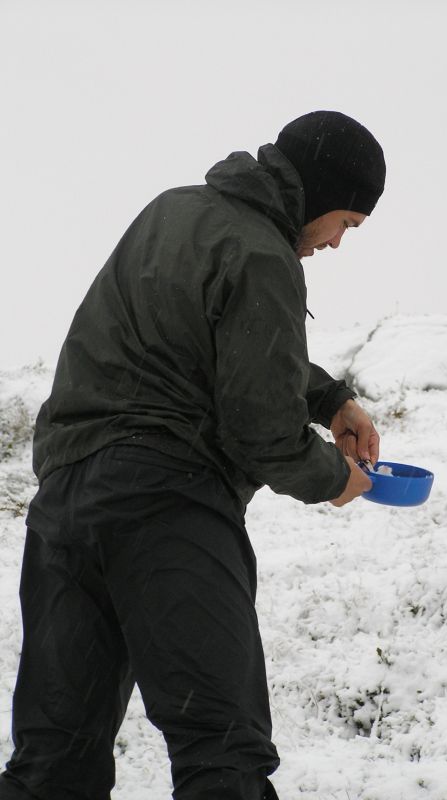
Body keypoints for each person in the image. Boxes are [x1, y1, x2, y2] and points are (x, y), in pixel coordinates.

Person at [0, 110, 386, 800]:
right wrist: (335, 477)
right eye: (347, 223)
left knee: (53, 764)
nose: (335, 243)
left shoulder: (171, 211)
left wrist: (329, 398)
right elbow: (261, 430)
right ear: (323, 193)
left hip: (66, 507)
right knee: (223, 753)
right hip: (166, 507)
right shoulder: (263, 254)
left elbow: (206, 340)